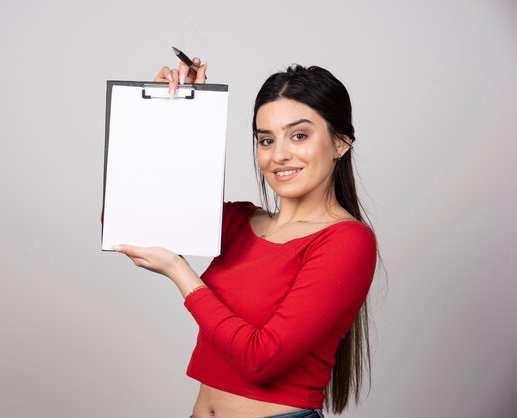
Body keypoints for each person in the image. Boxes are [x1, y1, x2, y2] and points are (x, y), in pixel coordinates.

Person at [113, 57, 377, 418]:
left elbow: (261, 359)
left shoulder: (347, 241)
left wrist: (180, 273)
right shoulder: (239, 220)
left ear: (341, 143)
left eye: (299, 135)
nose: (279, 155)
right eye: (266, 140)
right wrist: (164, 114)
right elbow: (127, 218)